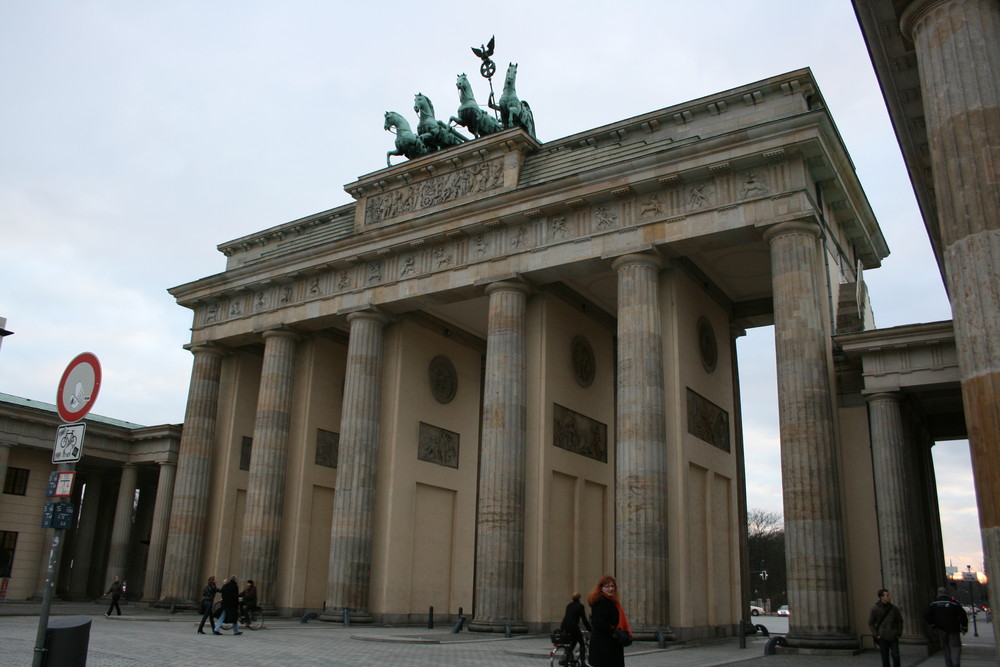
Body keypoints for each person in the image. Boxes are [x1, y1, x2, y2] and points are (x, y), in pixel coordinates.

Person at [587, 575, 631, 667]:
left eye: (612, 586)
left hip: (610, 643)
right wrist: (614, 632)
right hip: (604, 645)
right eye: (607, 586)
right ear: (601, 588)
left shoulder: (612, 602)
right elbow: (598, 623)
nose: (610, 589)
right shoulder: (601, 601)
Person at [925, 586, 967, 667]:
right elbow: (962, 615)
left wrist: (933, 624)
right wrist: (964, 627)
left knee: (945, 647)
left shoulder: (933, 604)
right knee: (955, 646)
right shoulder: (954, 603)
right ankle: (956, 663)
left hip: (941, 628)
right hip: (953, 628)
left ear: (938, 593)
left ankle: (949, 664)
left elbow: (926, 614)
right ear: (947, 593)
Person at [868, 588, 903, 667]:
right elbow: (870, 622)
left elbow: (900, 621)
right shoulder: (875, 609)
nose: (889, 597)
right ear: (881, 597)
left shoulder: (894, 608)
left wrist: (899, 632)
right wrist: (876, 634)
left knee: (896, 656)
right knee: (885, 658)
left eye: (888, 595)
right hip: (882, 637)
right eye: (887, 595)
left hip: (893, 636)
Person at [559, 592, 591, 665]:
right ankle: (583, 663)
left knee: (573, 642)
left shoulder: (569, 605)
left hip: (564, 626)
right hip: (573, 627)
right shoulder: (580, 606)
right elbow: (584, 619)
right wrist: (589, 629)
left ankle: (567, 659)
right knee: (582, 644)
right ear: (579, 598)